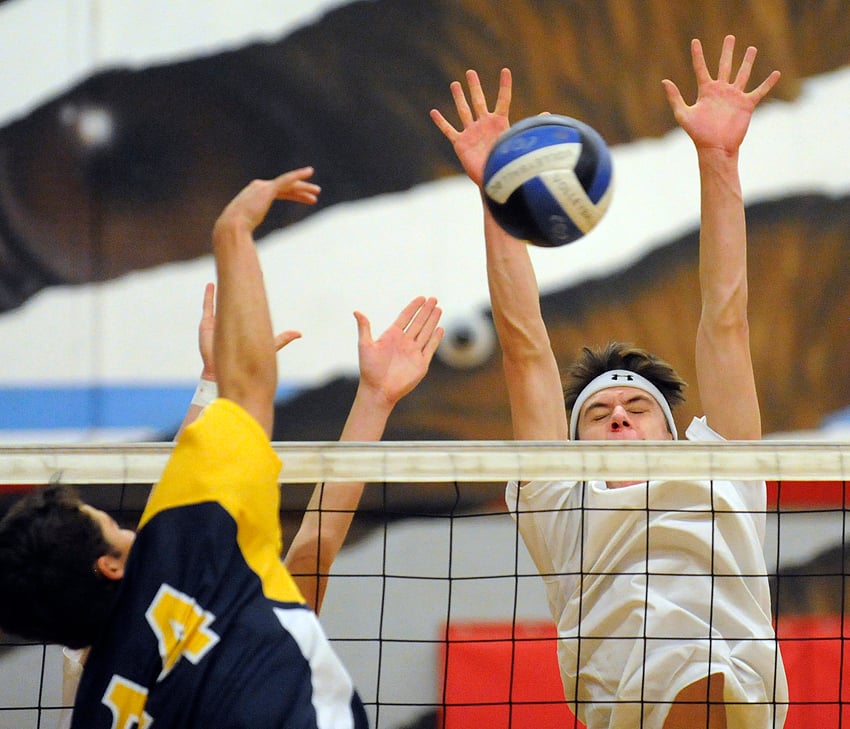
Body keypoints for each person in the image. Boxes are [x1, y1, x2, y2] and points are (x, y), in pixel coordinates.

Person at [0, 167, 444, 728]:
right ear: (110, 566)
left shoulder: (95, 710)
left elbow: (293, 549)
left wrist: (369, 399)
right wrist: (233, 233)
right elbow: (249, 414)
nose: (134, 527)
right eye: (114, 527)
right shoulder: (191, 557)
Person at [431, 35, 787, 729]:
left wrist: (719, 160)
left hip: (735, 695)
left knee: (694, 659)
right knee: (672, 657)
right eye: (598, 413)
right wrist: (497, 193)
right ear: (576, 444)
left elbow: (726, 318)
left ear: (672, 431)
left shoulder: (724, 465)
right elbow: (525, 349)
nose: (619, 416)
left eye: (634, 406)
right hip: (628, 705)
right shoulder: (561, 502)